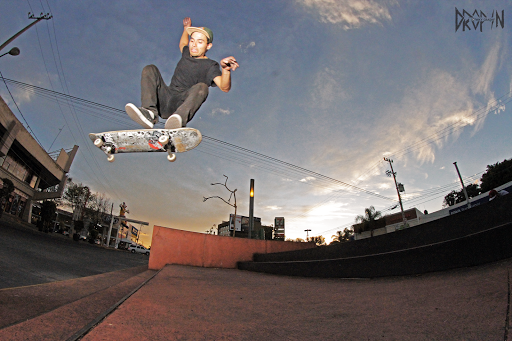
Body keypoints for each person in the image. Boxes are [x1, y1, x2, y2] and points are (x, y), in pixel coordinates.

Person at [125, 17, 239, 129]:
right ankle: (149, 113)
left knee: (202, 87)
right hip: (165, 99)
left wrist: (225, 70)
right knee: (150, 69)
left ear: (208, 46)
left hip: (181, 105)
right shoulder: (186, 53)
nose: (194, 45)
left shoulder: (210, 65)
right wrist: (186, 29)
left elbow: (224, 87)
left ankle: (178, 120)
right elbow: (182, 43)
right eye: (192, 40)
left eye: (200, 42)